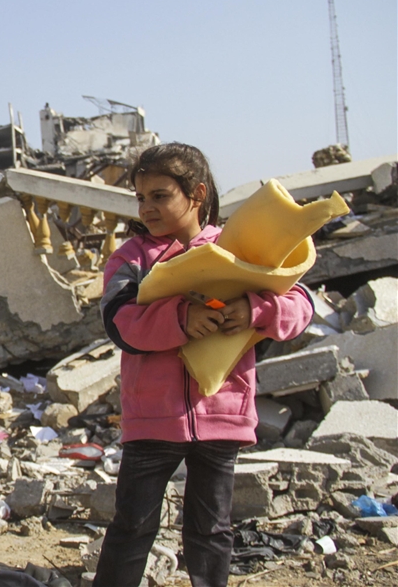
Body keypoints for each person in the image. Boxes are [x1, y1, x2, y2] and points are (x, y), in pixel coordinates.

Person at [93, 144, 313, 587]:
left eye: (160, 195)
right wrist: (179, 318)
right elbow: (119, 322)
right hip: (154, 417)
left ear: (195, 193)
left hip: (222, 412)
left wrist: (254, 309)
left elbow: (301, 303)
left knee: (211, 529)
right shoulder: (131, 260)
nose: (147, 207)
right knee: (133, 526)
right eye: (140, 197)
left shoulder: (236, 248)